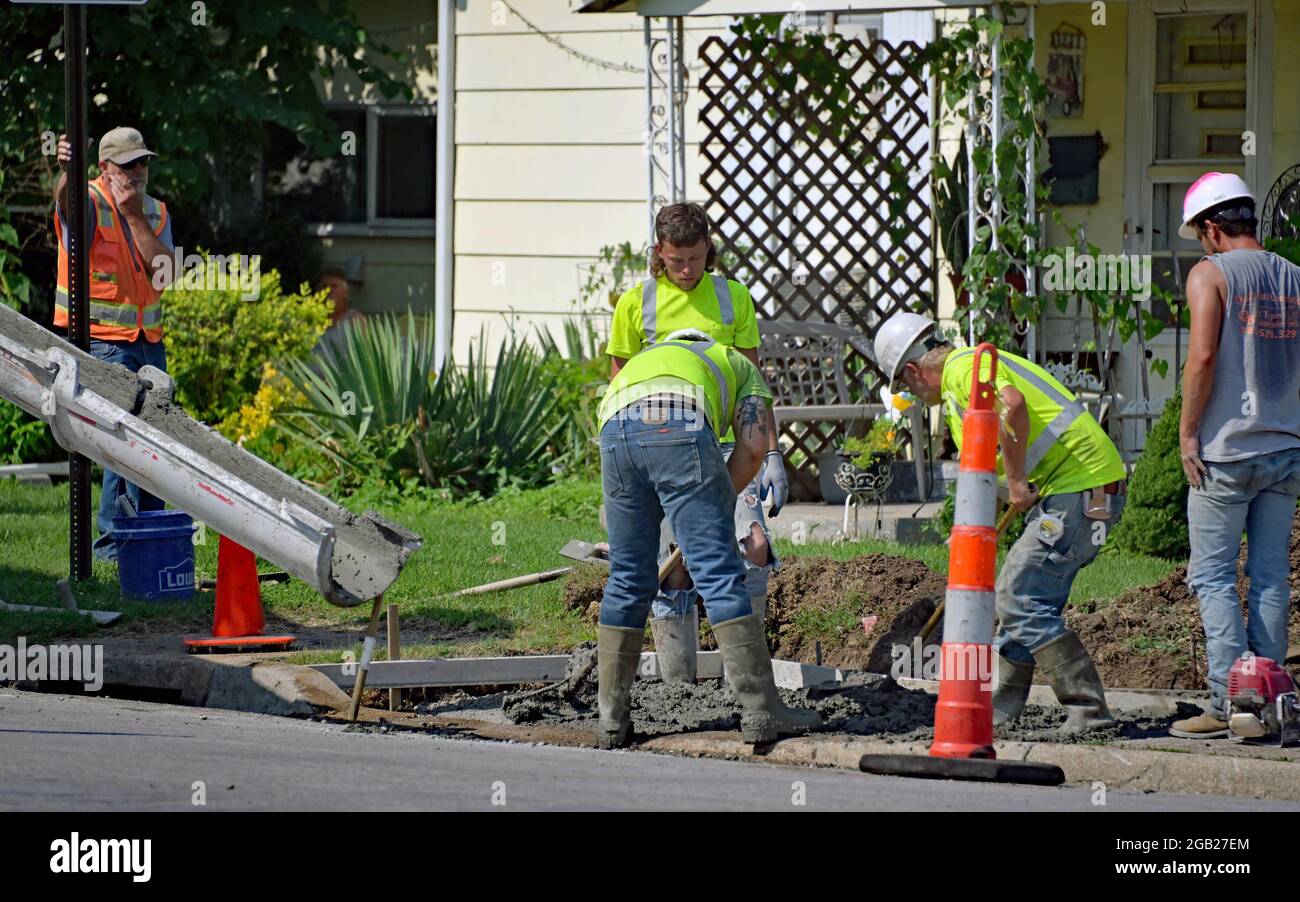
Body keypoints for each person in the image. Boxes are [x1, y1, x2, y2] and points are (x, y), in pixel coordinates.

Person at [876, 312, 1127, 733]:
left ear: (915, 371)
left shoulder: (964, 370)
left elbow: (1014, 406)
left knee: (1019, 595)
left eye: (905, 386)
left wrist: (1015, 482)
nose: (912, 395)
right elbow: (986, 470)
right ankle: (1002, 709)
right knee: (1025, 596)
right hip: (1078, 488)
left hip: (1083, 489)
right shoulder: (963, 392)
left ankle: (1090, 711)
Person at [594, 327, 821, 748]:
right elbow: (753, 449)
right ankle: (761, 711)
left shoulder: (648, 360)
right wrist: (715, 505)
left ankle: (611, 719)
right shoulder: (738, 365)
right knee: (718, 572)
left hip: (613, 428)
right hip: (678, 423)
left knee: (627, 575)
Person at [607, 203, 787, 684]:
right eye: (674, 259)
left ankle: (744, 685)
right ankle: (677, 687)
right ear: (658, 254)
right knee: (674, 567)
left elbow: (751, 381)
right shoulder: (636, 303)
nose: (686, 270)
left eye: (694, 257)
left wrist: (770, 452)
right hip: (664, 447)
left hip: (725, 446)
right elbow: (622, 383)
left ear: (709, 248)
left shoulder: (733, 298)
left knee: (753, 547)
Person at [1168, 173, 1300, 739]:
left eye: (1200, 233)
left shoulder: (1210, 274)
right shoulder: (1294, 277)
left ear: (1213, 228)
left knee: (1215, 577)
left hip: (1223, 454)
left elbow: (1201, 358)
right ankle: (1269, 704)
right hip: (1285, 449)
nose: (1201, 243)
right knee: (1271, 576)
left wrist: (1187, 434)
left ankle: (1230, 704)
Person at [53, 126, 176, 561]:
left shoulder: (155, 211)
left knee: (155, 441)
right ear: (105, 167)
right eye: (127, 164)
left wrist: (135, 216)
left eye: (142, 161)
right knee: (119, 441)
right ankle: (110, 547)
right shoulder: (88, 201)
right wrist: (67, 171)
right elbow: (68, 211)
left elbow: (166, 274)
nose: (138, 171)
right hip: (103, 343)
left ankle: (150, 535)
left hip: (149, 343)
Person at [311, 265, 365, 362]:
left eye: (334, 286)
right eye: (324, 286)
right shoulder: (308, 320)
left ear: (346, 292)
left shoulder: (355, 320)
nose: (328, 291)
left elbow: (363, 357)